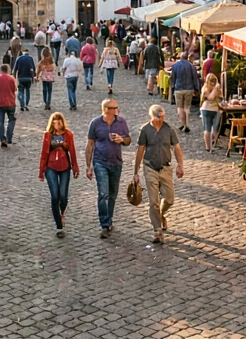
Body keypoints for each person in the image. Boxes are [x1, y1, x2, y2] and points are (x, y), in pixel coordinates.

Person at [133, 104, 185, 244]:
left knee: (169, 198)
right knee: (153, 201)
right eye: (159, 117)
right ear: (153, 117)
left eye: (163, 117)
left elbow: (176, 148)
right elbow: (141, 150)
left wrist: (180, 165)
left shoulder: (169, 129)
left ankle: (160, 215)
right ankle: (157, 230)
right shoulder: (145, 130)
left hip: (166, 168)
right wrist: (136, 172)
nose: (162, 120)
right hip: (150, 167)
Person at [85, 99, 130, 239]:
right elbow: (90, 144)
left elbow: (128, 140)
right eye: (114, 107)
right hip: (100, 162)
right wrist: (88, 166)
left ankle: (109, 218)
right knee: (103, 194)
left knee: (112, 194)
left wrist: (121, 140)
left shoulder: (121, 122)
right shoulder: (95, 123)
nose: (117, 109)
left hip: (116, 162)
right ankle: (104, 224)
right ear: (105, 109)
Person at [38, 112, 80, 238]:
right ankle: (59, 226)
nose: (57, 124)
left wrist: (75, 167)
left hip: (65, 167)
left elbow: (72, 151)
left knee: (63, 195)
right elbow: (43, 154)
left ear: (62, 122)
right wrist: (41, 171)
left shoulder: (68, 134)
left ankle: (62, 212)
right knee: (55, 196)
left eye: (59, 121)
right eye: (54, 122)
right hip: (51, 167)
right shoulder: (48, 135)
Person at [170, 52, 201, 133]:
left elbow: (173, 78)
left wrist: (173, 88)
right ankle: (186, 125)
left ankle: (183, 124)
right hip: (189, 88)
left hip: (178, 88)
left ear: (180, 57)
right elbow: (195, 78)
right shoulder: (191, 66)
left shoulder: (175, 65)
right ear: (187, 57)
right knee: (187, 107)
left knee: (179, 107)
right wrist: (196, 88)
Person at [0, 63, 18, 147]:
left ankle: (2, 139)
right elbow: (15, 89)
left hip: (0, 103)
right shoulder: (11, 78)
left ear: (0, 70)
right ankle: (9, 138)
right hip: (11, 103)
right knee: (11, 120)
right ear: (8, 70)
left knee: (1, 121)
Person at [199, 72, 224, 151]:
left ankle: (214, 143)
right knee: (207, 128)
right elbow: (211, 97)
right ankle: (208, 147)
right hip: (206, 109)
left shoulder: (216, 88)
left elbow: (221, 98)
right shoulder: (205, 89)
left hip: (215, 109)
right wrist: (216, 89)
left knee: (215, 128)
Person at [13, 47, 36, 112]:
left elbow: (14, 70)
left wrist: (14, 78)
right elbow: (33, 68)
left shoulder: (19, 58)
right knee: (27, 91)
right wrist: (34, 76)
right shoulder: (30, 58)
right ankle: (26, 104)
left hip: (21, 78)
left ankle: (22, 105)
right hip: (28, 78)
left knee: (21, 91)